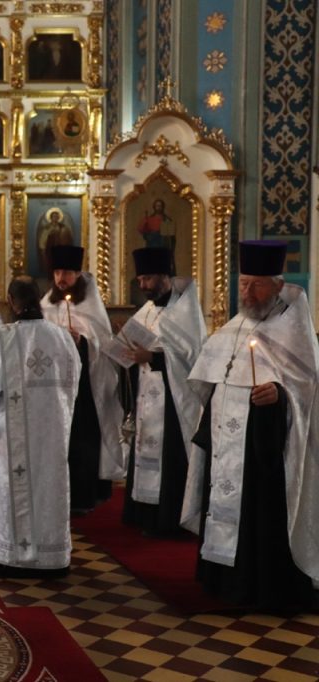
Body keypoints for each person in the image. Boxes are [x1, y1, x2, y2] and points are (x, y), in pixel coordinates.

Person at [182, 240, 319, 612]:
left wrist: (279, 395)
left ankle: (262, 587)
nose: (247, 292)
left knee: (260, 514)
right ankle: (222, 579)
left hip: (264, 447)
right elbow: (208, 378)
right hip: (225, 438)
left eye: (256, 284)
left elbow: (307, 390)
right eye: (243, 283)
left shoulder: (293, 330)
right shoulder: (233, 327)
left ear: (277, 285)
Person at [0, 276, 80, 578]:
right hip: (53, 433)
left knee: (7, 487)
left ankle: (3, 555)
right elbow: (74, 384)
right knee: (48, 487)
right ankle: (51, 557)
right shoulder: (63, 337)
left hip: (12, 435)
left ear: (11, 301)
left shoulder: (4, 338)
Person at [121, 248, 206, 536]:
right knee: (144, 449)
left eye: (147, 279)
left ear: (164, 277)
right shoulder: (146, 310)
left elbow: (192, 358)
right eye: (140, 280)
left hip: (173, 402)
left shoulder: (184, 312)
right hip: (147, 394)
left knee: (169, 457)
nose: (142, 285)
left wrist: (153, 357)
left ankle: (169, 520)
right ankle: (145, 515)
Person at [41, 245, 125, 513]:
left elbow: (103, 342)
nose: (61, 278)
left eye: (67, 272)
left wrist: (82, 342)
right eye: (57, 272)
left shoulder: (90, 305)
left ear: (77, 273)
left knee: (84, 441)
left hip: (86, 386)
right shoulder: (47, 304)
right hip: (56, 385)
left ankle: (85, 496)